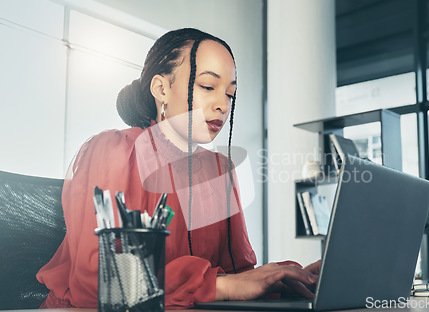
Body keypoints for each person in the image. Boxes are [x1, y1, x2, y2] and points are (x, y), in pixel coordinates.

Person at [36, 28, 320, 309]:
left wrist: (283, 280)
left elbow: (234, 277)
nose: (222, 104)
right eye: (208, 87)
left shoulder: (221, 170)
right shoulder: (114, 150)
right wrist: (220, 285)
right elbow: (101, 284)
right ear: (161, 89)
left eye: (230, 94)